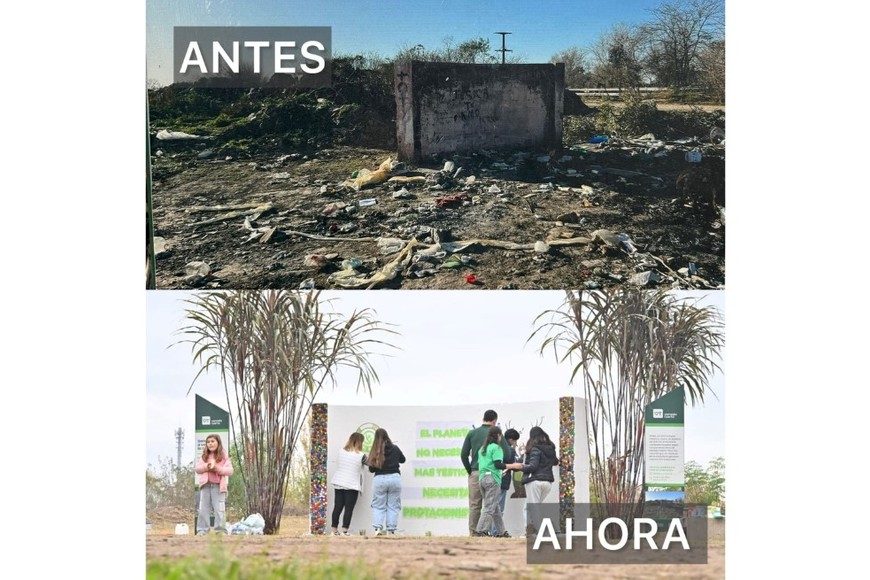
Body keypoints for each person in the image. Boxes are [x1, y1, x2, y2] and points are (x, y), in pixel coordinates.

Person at [461, 409, 511, 536]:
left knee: (474, 505)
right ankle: (484, 531)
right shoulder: (496, 434)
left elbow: (463, 455)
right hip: (492, 474)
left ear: (483, 418)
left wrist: (470, 470)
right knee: (491, 505)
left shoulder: (472, 433)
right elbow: (507, 454)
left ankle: (473, 533)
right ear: (494, 420)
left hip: (476, 473)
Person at [506, 426, 558, 535]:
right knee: (531, 507)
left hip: (535, 481)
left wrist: (520, 467)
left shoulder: (535, 448)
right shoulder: (550, 448)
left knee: (532, 508)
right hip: (547, 483)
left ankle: (538, 530)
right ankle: (531, 528)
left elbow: (533, 466)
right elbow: (555, 462)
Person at [367, 428, 406, 535]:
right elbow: (403, 460)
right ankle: (391, 530)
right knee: (393, 506)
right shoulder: (395, 448)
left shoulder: (375, 451)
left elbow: (371, 469)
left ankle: (378, 529)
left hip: (379, 480)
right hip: (395, 478)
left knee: (378, 505)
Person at [474, 426, 510, 537]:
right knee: (490, 507)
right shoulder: (496, 448)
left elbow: (484, 465)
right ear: (499, 435)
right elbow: (497, 464)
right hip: (492, 480)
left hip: (482, 478)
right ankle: (480, 530)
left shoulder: (482, 449)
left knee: (495, 508)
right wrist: (513, 465)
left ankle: (501, 531)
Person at [195, 433, 234, 535]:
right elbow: (198, 469)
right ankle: (202, 530)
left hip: (218, 487)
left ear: (218, 443)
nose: (210, 444)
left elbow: (230, 471)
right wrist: (206, 467)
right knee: (203, 509)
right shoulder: (204, 456)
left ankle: (220, 531)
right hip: (205, 486)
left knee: (219, 510)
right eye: (208, 442)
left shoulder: (224, 456)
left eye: (212, 441)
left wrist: (216, 468)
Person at [330, 432, 367, 536]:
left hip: (339, 482)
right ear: (360, 442)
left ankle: (334, 531)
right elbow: (371, 464)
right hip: (352, 485)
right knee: (348, 509)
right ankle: (345, 531)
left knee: (337, 507)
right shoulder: (361, 456)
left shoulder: (340, 451)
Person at [491, 428, 520, 536]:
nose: (515, 444)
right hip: (503, 481)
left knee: (490, 506)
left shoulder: (493, 447)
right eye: (515, 441)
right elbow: (513, 466)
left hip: (491, 479)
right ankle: (496, 532)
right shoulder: (510, 450)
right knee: (499, 507)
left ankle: (488, 531)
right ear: (511, 439)